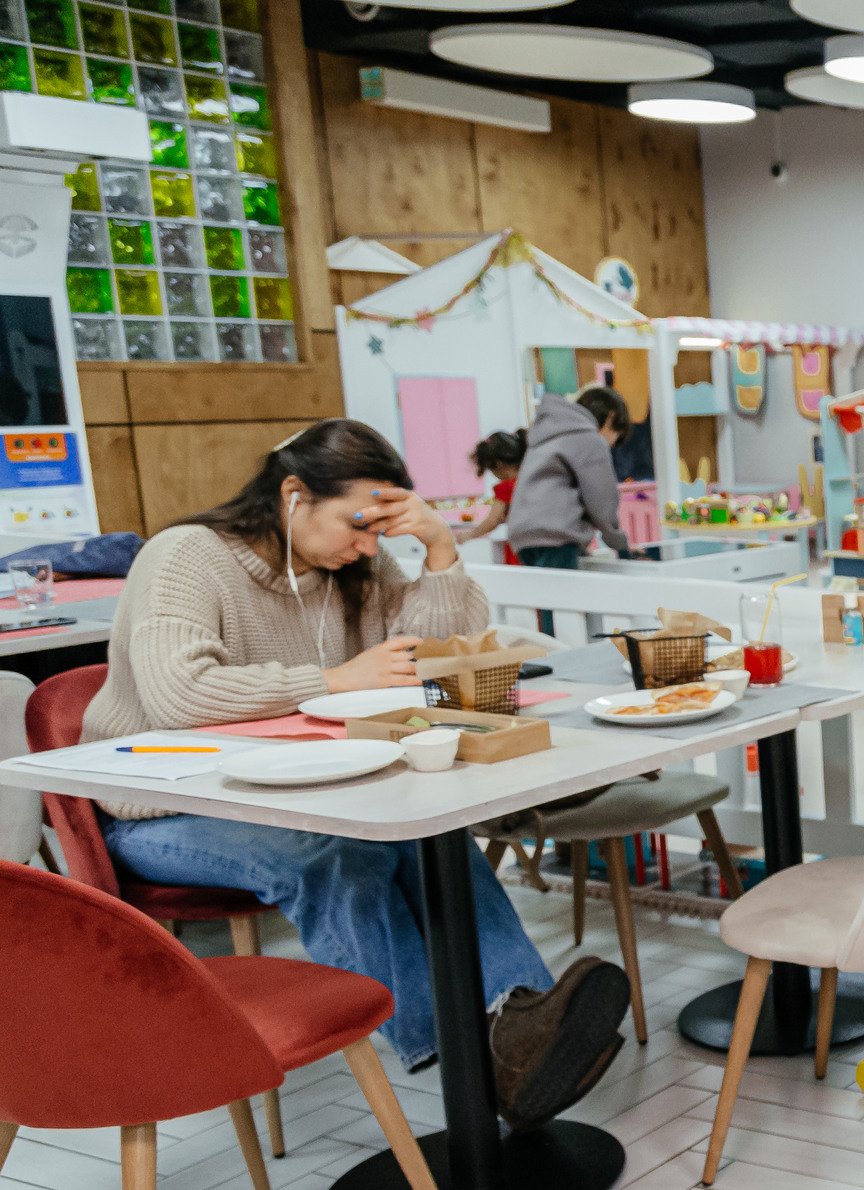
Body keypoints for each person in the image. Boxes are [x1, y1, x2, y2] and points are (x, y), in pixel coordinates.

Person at [80, 420, 629, 1121]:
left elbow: (435, 653)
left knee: (430, 830)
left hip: (294, 789)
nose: (369, 544)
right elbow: (178, 695)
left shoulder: (352, 566)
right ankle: (465, 1057)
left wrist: (438, 548)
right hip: (163, 806)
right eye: (358, 523)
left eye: (381, 528)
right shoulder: (186, 556)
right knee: (334, 853)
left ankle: (515, 1015)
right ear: (292, 495)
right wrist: (333, 678)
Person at [510, 386, 633, 572]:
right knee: (563, 598)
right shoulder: (589, 438)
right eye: (616, 437)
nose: (612, 444)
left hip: (524, 535)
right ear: (610, 417)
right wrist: (619, 543)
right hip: (555, 535)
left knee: (547, 597)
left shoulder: (547, 435)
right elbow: (601, 497)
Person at [451, 430, 526, 564]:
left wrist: (469, 535)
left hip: (519, 546)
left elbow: (493, 520)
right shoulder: (531, 481)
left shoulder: (506, 487)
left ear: (498, 464)